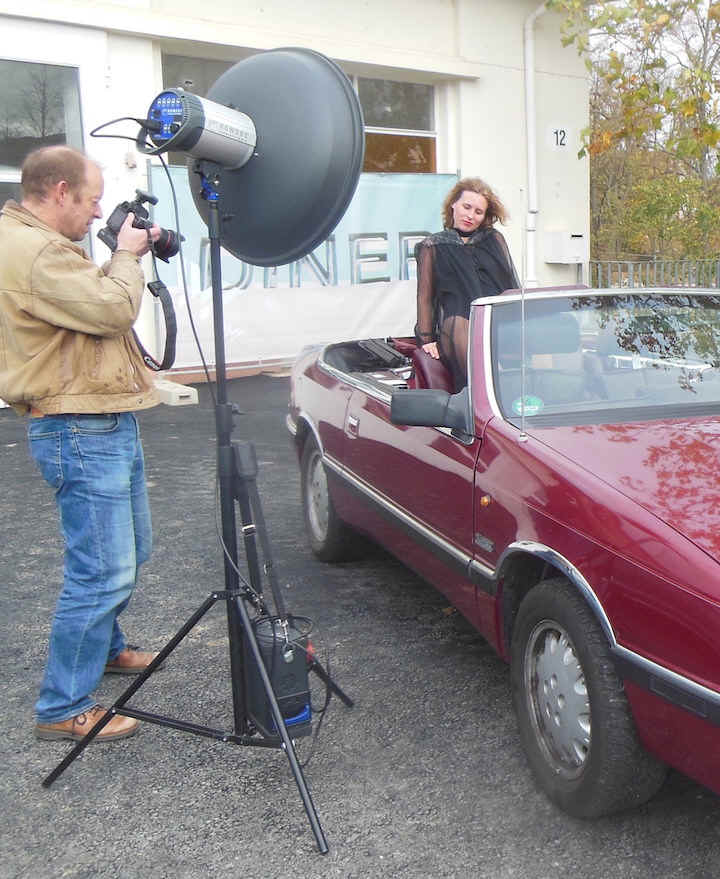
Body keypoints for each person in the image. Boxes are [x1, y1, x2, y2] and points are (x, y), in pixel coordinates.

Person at [0, 145, 163, 743]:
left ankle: (106, 648)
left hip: (98, 417)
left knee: (130, 552)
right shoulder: (36, 251)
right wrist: (127, 255)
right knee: (101, 571)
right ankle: (62, 706)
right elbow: (113, 310)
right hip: (79, 426)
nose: (98, 213)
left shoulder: (40, 244)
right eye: (93, 201)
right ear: (61, 191)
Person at [415, 177, 519, 391]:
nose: (470, 215)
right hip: (457, 321)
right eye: (467, 207)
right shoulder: (433, 245)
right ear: (453, 204)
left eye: (478, 212)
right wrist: (427, 339)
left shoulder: (493, 239)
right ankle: (480, 399)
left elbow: (509, 282)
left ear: (485, 216)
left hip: (495, 317)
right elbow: (425, 296)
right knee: (462, 329)